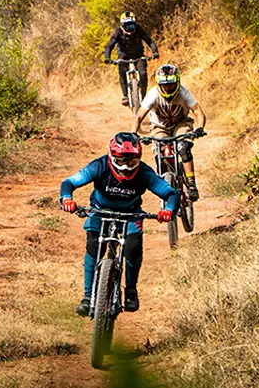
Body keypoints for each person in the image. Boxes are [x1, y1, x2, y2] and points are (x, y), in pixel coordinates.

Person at [60, 132, 178, 316]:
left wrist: (169, 210)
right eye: (121, 160)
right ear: (111, 156)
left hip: (131, 213)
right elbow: (69, 182)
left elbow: (171, 193)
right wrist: (66, 198)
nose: (126, 167)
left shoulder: (145, 173)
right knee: (93, 245)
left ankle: (130, 290)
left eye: (132, 161)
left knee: (133, 246)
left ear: (139, 158)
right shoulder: (99, 166)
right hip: (99, 210)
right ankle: (87, 296)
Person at [130, 64, 207, 201]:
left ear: (177, 82)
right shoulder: (153, 94)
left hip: (181, 124)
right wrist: (133, 134)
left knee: (184, 148)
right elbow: (139, 116)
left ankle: (191, 184)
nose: (168, 88)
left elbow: (198, 112)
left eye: (171, 85)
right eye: (164, 85)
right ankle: (164, 183)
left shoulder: (184, 93)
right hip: (159, 127)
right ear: (159, 84)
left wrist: (199, 128)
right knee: (159, 154)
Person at [103, 11, 159, 106]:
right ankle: (125, 96)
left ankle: (144, 95)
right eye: (127, 26)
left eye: (132, 26)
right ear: (122, 26)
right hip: (123, 56)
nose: (129, 29)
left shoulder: (139, 29)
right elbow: (109, 46)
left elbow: (149, 41)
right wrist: (107, 57)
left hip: (138, 55)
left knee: (143, 73)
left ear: (135, 24)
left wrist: (155, 52)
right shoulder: (118, 32)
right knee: (122, 70)